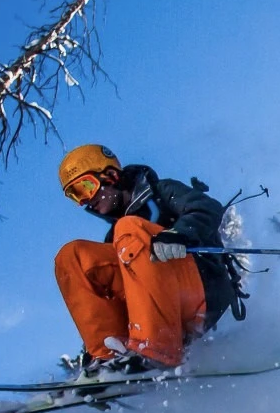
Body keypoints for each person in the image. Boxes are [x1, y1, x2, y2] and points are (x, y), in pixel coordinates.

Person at [53, 144, 242, 372]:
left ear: (110, 176)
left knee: (128, 228)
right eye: (76, 196)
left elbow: (206, 208)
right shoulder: (115, 237)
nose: (86, 201)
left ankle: (155, 349)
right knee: (73, 257)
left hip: (200, 290)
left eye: (86, 188)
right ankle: (109, 358)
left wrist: (179, 234)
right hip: (158, 309)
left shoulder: (161, 193)